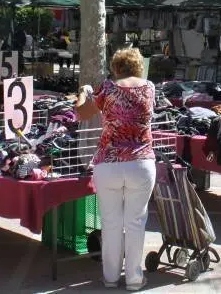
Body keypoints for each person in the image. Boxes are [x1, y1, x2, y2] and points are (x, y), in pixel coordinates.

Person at [75, 48, 156, 291]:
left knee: (110, 222)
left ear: (116, 67)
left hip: (108, 163)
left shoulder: (107, 88)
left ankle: (110, 277)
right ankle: (133, 278)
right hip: (141, 163)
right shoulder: (149, 87)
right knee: (135, 222)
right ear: (138, 66)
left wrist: (82, 93)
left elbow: (82, 113)